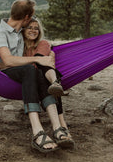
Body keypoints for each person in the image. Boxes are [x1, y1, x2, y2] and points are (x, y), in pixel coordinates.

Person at [0, 0, 73, 153]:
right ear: (26, 18)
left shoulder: (20, 32)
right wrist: (36, 59)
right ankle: (37, 132)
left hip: (23, 71)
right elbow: (7, 61)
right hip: (2, 76)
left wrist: (48, 53)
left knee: (37, 70)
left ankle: (58, 127)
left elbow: (37, 45)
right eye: (32, 16)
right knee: (30, 68)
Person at [22, 16, 74, 146]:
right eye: (30, 27)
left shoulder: (43, 43)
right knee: (41, 74)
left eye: (36, 28)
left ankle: (56, 83)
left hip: (45, 76)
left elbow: (41, 60)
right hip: (31, 79)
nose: (33, 31)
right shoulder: (19, 47)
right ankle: (61, 127)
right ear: (23, 30)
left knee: (42, 71)